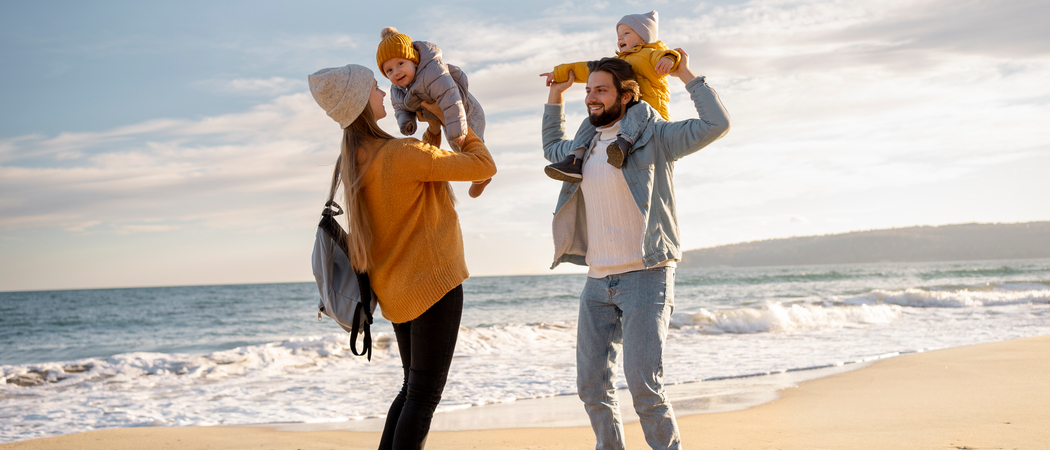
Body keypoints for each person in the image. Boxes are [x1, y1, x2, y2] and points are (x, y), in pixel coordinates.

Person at [541, 52, 730, 450]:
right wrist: (555, 98)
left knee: (644, 387)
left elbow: (717, 124)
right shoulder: (585, 143)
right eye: (589, 90)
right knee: (591, 386)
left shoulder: (656, 137)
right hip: (596, 281)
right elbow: (551, 149)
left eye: (601, 90)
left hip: (647, 275)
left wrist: (685, 74)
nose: (591, 97)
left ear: (626, 96)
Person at [307, 63, 496, 450]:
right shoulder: (401, 153)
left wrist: (433, 131)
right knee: (423, 397)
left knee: (412, 390)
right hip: (433, 285)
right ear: (361, 103)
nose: (382, 92)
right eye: (375, 88)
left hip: (395, 293)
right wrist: (454, 123)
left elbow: (418, 176)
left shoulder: (355, 161)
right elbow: (483, 165)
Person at [540, 10, 680, 182]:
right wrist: (558, 74)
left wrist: (670, 59)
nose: (620, 38)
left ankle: (622, 146)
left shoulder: (650, 54)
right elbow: (587, 68)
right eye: (618, 35)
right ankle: (575, 158)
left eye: (626, 33)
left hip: (651, 119)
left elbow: (669, 55)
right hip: (624, 118)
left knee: (640, 108)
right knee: (590, 120)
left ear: (644, 38)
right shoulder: (619, 63)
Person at [377, 26, 492, 198]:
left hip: (464, 110)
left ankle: (481, 178)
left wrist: (454, 128)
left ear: (414, 60)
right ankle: (480, 177)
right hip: (442, 116)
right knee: (458, 146)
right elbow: (400, 107)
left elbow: (450, 97)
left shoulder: (432, 71)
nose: (397, 72)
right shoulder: (397, 89)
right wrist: (407, 123)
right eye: (389, 71)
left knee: (463, 145)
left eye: (400, 64)